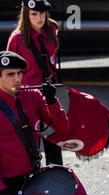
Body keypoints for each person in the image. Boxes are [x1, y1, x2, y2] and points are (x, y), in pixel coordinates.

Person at [0, 50, 68, 195]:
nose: (17, 79)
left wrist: (52, 101)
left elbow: (58, 131)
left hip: (30, 186)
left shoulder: (32, 97)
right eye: (10, 74)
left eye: (19, 73)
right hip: (2, 189)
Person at [7, 0, 63, 166]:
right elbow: (8, 73)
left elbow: (52, 60)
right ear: (26, 15)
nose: (39, 18)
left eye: (43, 13)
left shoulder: (52, 30)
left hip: (49, 94)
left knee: (54, 143)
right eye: (34, 14)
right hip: (28, 96)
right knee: (31, 145)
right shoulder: (17, 39)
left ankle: (56, 179)